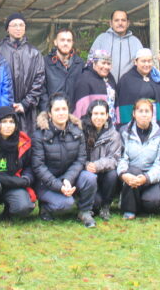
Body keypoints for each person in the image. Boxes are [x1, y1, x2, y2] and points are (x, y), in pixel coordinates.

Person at [32, 94, 97, 228]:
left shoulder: (77, 132)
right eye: (57, 110)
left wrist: (67, 179)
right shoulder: (39, 135)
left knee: (90, 177)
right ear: (50, 114)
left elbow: (80, 159)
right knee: (66, 204)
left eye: (64, 109)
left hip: (69, 179)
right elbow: (38, 166)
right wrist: (59, 185)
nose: (61, 113)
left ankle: (84, 211)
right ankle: (45, 206)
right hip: (47, 183)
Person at [117, 99, 160, 219]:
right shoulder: (124, 132)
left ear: (152, 114)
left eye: (147, 111)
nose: (144, 114)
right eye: (140, 111)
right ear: (134, 113)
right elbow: (121, 157)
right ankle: (129, 209)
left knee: (153, 204)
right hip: (131, 176)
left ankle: (141, 201)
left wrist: (146, 178)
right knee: (133, 171)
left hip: (151, 179)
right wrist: (124, 174)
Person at [0, 13, 45, 134]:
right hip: (3, 108)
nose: (18, 28)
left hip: (27, 111)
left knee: (26, 145)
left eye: (21, 25)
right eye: (14, 25)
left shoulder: (34, 53)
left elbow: (39, 80)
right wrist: (5, 103)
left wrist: (25, 103)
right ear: (7, 29)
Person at [81, 100, 122, 221]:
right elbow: (77, 155)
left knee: (113, 174)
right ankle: (90, 205)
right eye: (96, 113)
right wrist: (87, 165)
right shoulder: (81, 131)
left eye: (102, 114)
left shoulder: (114, 134)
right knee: (95, 204)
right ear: (90, 114)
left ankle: (106, 206)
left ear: (107, 115)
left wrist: (98, 165)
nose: (99, 117)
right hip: (87, 173)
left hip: (104, 174)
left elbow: (115, 158)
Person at [115, 48, 160, 131]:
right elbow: (123, 105)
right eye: (143, 61)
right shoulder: (126, 80)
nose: (146, 64)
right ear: (135, 62)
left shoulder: (158, 79)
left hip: (155, 119)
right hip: (135, 118)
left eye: (149, 61)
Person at [90, 10, 143, 83]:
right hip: (104, 84)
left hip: (129, 86)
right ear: (111, 23)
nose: (120, 23)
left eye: (123, 20)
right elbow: (90, 61)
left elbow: (143, 63)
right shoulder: (101, 39)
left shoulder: (136, 42)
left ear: (128, 23)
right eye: (116, 20)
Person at [40, 28, 84, 111]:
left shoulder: (79, 63)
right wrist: (47, 111)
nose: (65, 43)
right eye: (62, 40)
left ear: (72, 43)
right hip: (52, 112)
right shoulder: (45, 62)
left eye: (69, 40)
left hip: (73, 114)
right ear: (55, 42)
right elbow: (42, 90)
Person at [72, 49, 116, 120]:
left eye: (108, 64)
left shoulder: (110, 78)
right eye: (103, 63)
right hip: (92, 125)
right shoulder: (84, 79)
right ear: (94, 63)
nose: (106, 67)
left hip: (110, 124)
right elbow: (81, 109)